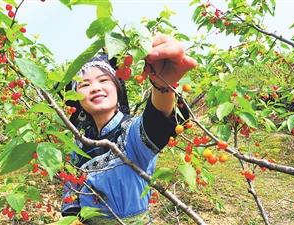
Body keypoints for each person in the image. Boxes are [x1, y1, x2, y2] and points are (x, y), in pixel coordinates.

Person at [60, 34, 197, 224]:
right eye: (84, 84)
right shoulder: (77, 143)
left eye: (103, 80)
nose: (95, 87)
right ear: (77, 99)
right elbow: (71, 189)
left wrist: (162, 86)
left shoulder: (130, 133)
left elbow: (155, 122)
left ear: (118, 88)